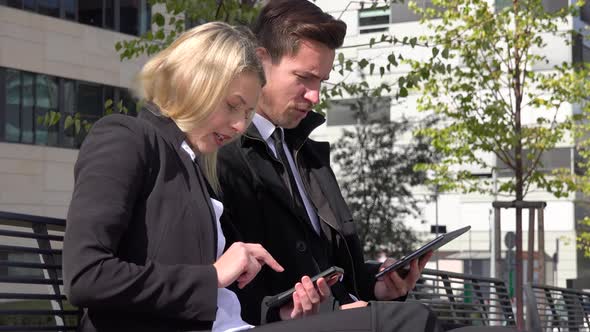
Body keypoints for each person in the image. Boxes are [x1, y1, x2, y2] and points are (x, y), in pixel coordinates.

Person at [63, 21, 332, 332]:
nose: (238, 127)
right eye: (233, 106)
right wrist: (213, 275)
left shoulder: (193, 165)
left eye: (247, 114)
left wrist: (280, 314)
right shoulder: (127, 138)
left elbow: (216, 305)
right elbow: (85, 276)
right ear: (194, 83)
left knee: (383, 318)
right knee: (388, 321)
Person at [217, 0, 434, 326]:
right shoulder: (223, 157)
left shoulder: (307, 154)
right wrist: (284, 309)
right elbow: (228, 286)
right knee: (418, 318)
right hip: (287, 323)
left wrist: (379, 285)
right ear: (260, 63)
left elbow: (334, 266)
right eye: (304, 78)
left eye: (321, 80)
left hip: (342, 317)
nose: (315, 95)